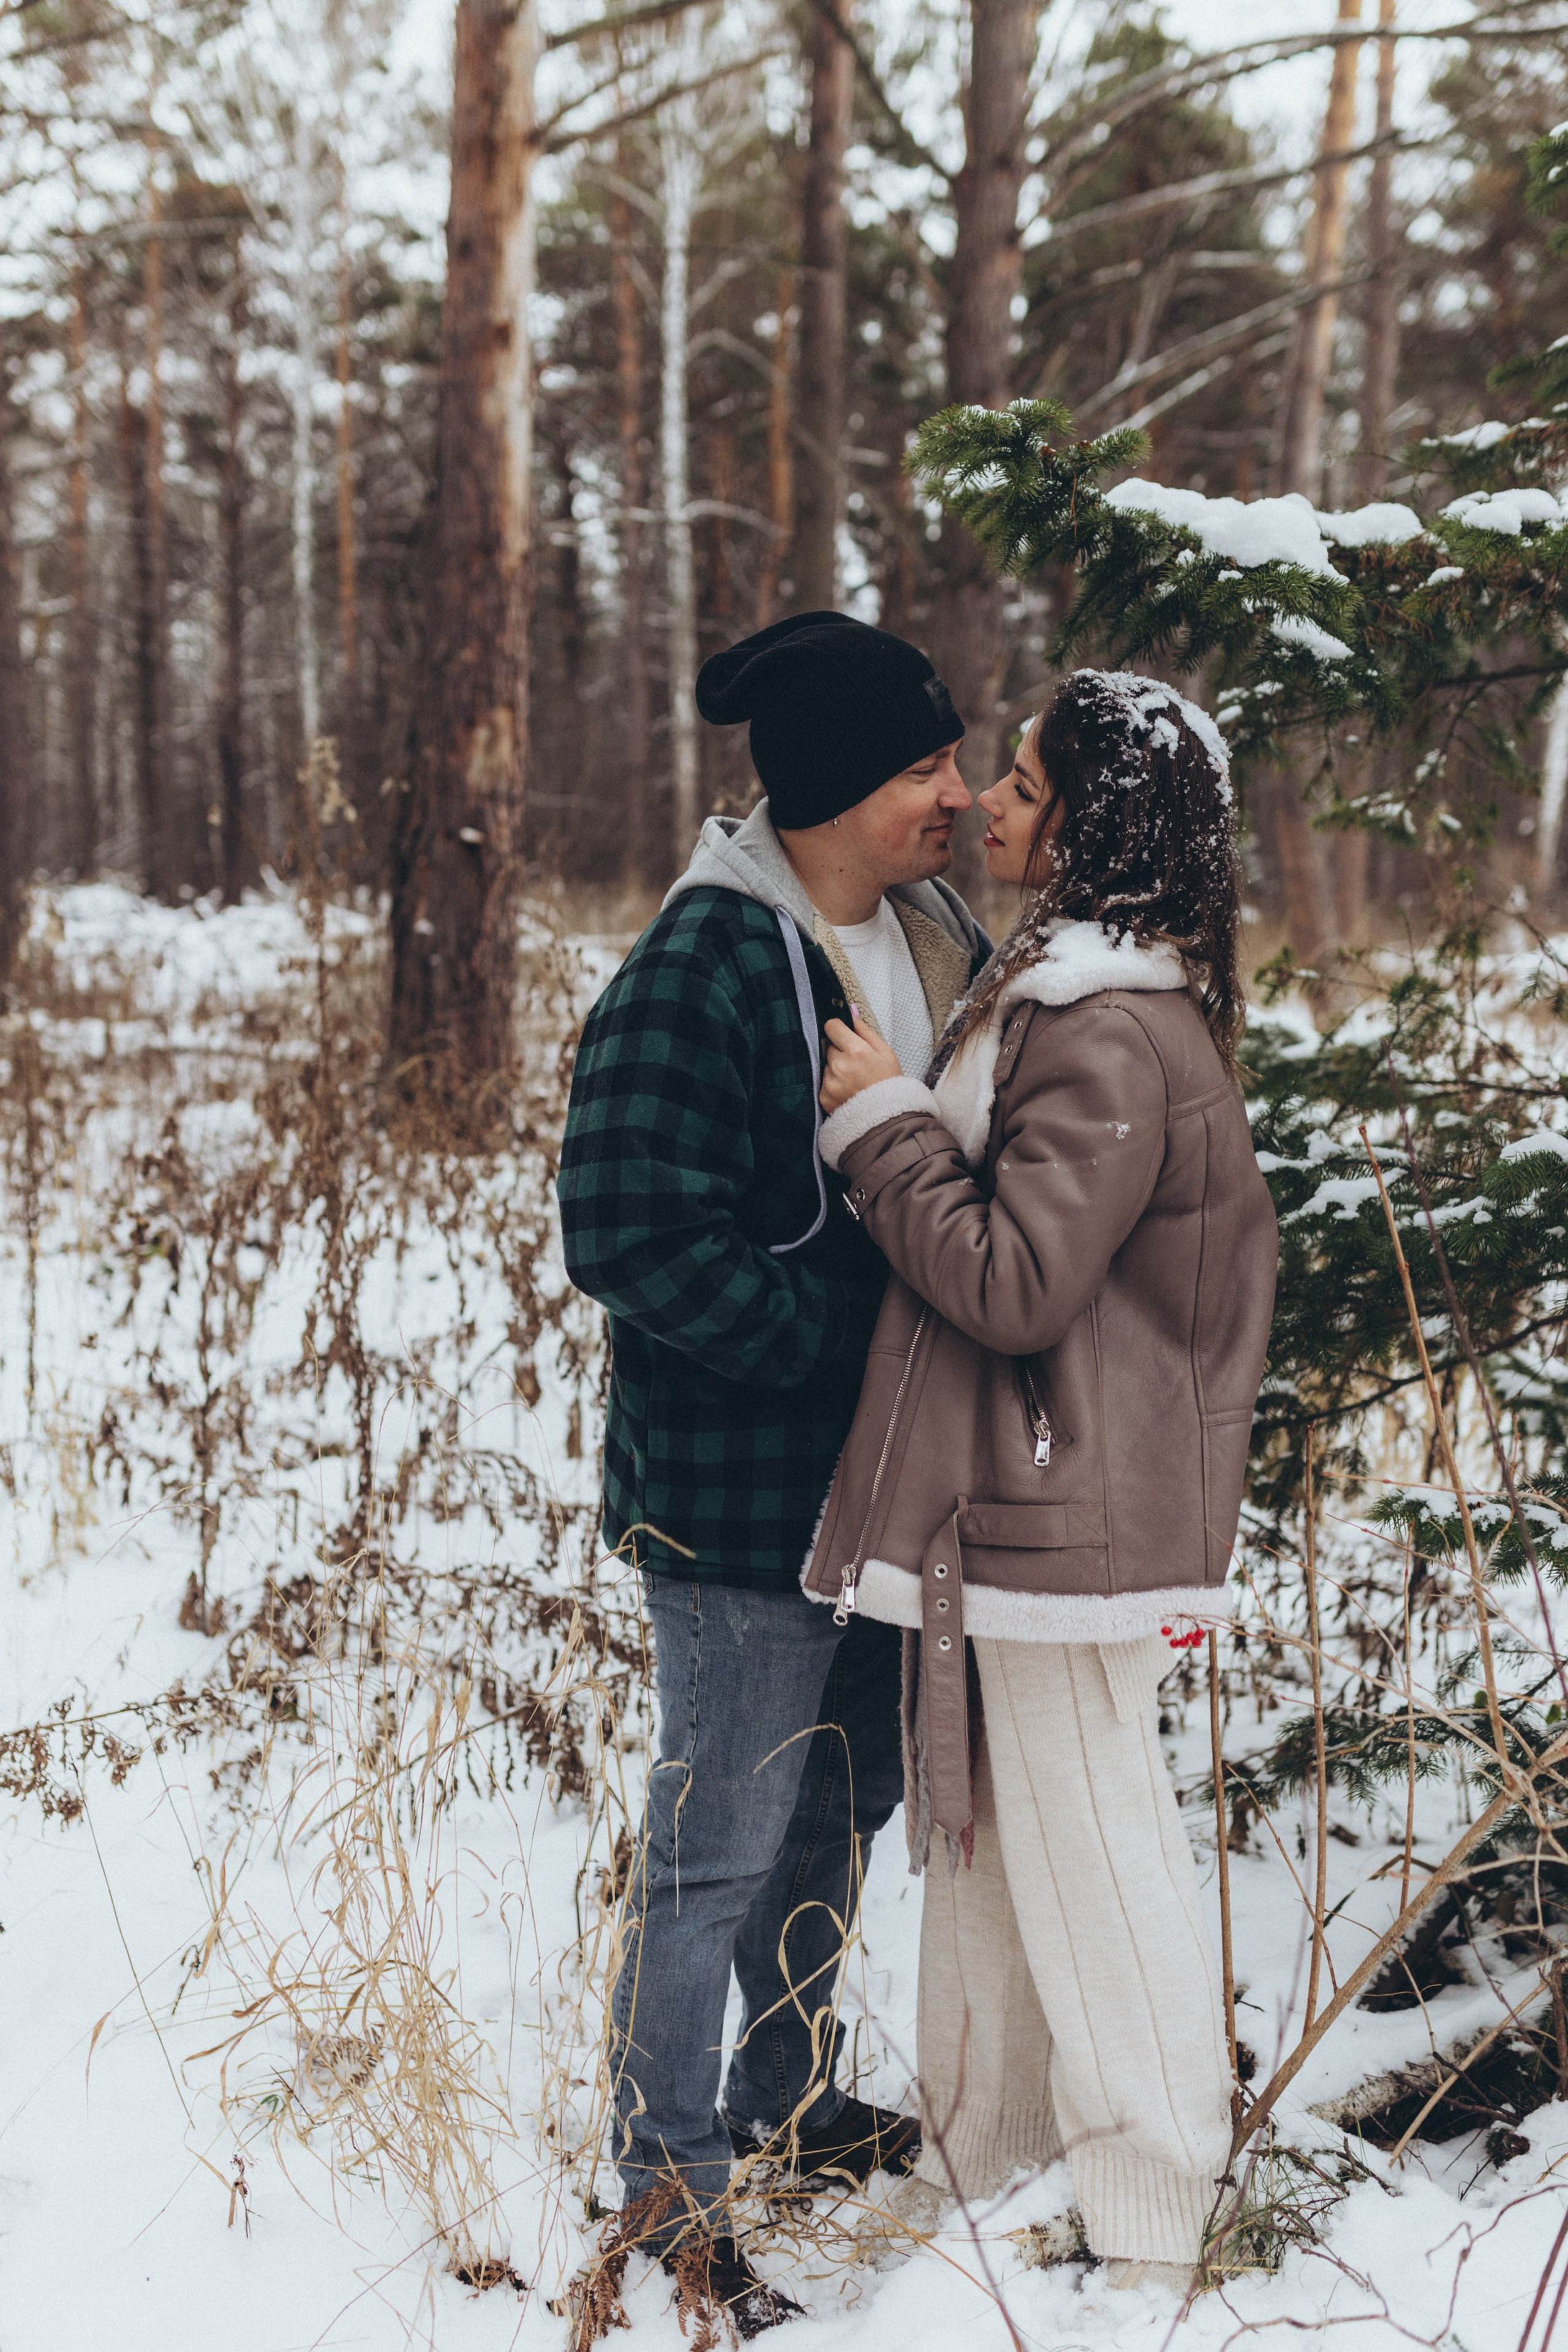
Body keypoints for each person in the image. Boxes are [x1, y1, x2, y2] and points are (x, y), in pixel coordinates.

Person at [804, 668, 1278, 2297]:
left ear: (1091, 823)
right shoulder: (1069, 1001)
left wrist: (881, 1131)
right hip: (1024, 1507)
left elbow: (1015, 1282)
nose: (988, 806)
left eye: (1018, 781)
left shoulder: (1109, 1035)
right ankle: (988, 2155)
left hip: (1065, 1512)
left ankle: (1157, 2200)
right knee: (999, 1839)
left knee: (1089, 1840)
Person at [556, 611, 990, 2332]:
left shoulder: (934, 937)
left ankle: (786, 2100)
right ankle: (667, 2179)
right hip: (741, 1499)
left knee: (836, 1811)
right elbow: (627, 1230)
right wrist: (843, 1346)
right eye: (920, 770)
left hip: (890, 1489)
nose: (955, 794)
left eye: (956, 761)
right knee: (715, 1841)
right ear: (822, 789)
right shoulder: (709, 964)